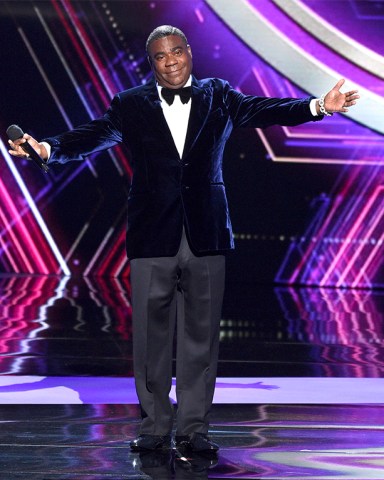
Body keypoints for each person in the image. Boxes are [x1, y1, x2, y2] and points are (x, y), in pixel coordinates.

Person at [9, 25, 359, 454]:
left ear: (189, 52)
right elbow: (93, 135)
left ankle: (194, 430)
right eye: (161, 55)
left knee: (200, 339)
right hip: (152, 233)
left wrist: (320, 106)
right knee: (151, 340)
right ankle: (155, 427)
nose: (171, 60)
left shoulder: (219, 94)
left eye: (177, 51)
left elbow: (268, 109)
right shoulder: (130, 104)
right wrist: (47, 149)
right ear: (151, 62)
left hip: (206, 233)